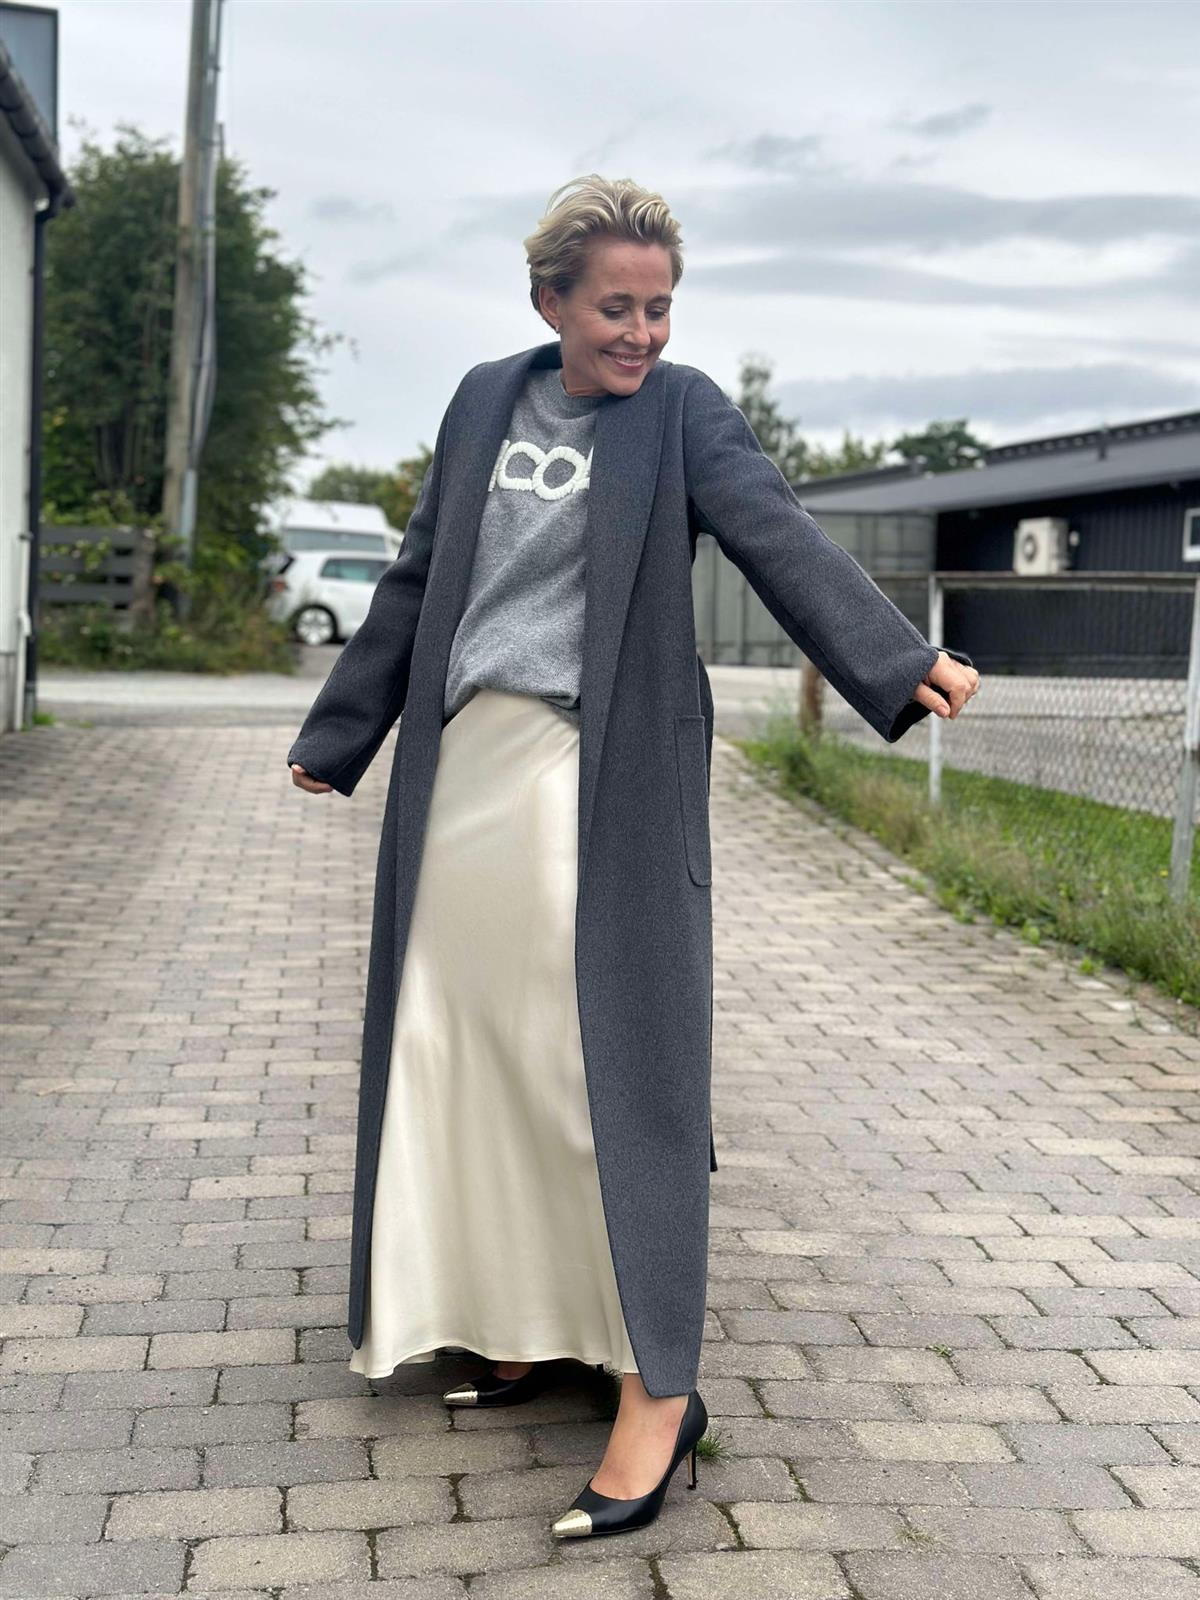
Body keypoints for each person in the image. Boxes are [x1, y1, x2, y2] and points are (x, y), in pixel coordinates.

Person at [287, 173, 980, 1541]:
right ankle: (518, 1320)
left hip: (590, 774)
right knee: (465, 1047)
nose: (644, 333)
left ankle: (656, 1392)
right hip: (465, 772)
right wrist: (344, 727)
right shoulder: (485, 402)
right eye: (617, 307)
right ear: (550, 299)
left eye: (661, 307)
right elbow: (422, 576)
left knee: (586, 1061)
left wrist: (896, 662)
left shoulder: (682, 414)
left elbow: (778, 535)